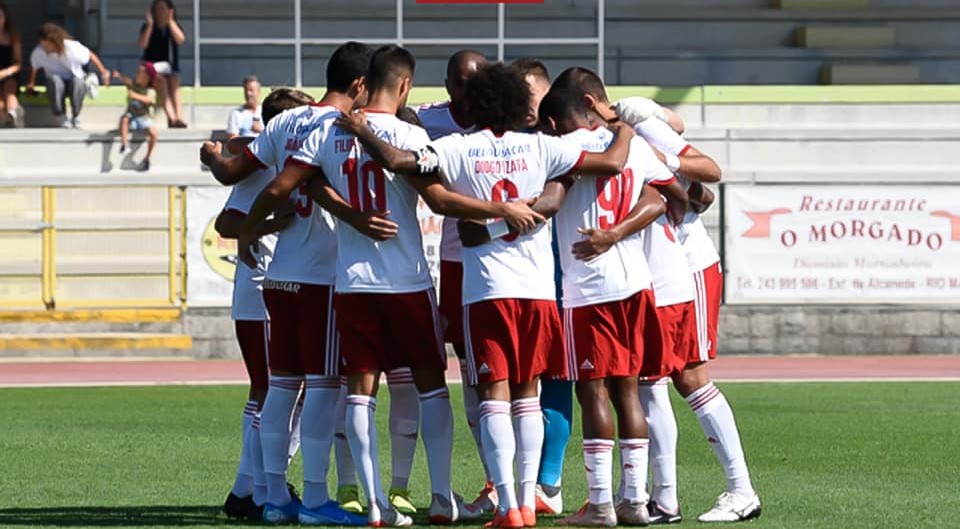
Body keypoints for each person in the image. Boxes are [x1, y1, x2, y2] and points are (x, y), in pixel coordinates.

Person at [334, 62, 634, 529]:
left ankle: (507, 504)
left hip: (487, 290)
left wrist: (362, 131)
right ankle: (529, 504)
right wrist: (625, 128)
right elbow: (611, 163)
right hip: (537, 290)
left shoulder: (457, 147)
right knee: (528, 395)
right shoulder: (543, 147)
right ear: (519, 103)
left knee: (493, 395)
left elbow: (402, 165)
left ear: (473, 104)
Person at [291, 45, 546, 527]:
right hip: (406, 281)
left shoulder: (330, 130)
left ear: (367, 82)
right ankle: (440, 497)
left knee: (360, 393)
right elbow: (441, 201)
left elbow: (305, 181)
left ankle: (374, 505)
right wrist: (501, 209)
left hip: (352, 282)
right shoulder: (411, 135)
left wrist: (351, 216)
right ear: (405, 84)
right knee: (431, 388)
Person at [200, 42, 374, 527]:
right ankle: (315, 499)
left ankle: (273, 495)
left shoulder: (282, 124)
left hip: (279, 276)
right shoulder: (343, 126)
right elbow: (295, 186)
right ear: (361, 85)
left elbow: (235, 169)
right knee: (322, 388)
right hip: (322, 275)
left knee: (279, 387)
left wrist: (215, 155)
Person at [614, 97, 762, 524]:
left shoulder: (637, 128)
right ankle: (656, 496)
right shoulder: (604, 137)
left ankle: (740, 489)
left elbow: (709, 172)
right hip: (656, 272)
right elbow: (700, 195)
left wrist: (666, 159)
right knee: (651, 380)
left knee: (689, 377)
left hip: (687, 266)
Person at [415, 48, 496, 513]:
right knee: (471, 371)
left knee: (514, 378)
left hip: (509, 260)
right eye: (458, 81)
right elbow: (399, 119)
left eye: (474, 82)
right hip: (457, 260)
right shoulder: (430, 120)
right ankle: (498, 482)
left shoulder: (507, 119)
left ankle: (530, 484)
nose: (465, 91)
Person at [26, 22, 110, 128]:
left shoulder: (72, 48)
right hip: (56, 82)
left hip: (73, 80)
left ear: (56, 42)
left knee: (78, 82)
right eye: (43, 45)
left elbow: (90, 56)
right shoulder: (39, 52)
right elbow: (34, 67)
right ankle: (61, 116)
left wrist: (103, 72)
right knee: (55, 81)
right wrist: (31, 83)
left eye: (47, 46)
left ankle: (75, 116)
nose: (45, 49)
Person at [139, 0, 187, 128]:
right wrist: (150, 24)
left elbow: (181, 39)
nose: (160, 12)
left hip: (168, 70)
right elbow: (143, 44)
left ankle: (179, 117)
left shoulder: (173, 27)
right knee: (161, 82)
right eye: (158, 9)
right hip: (151, 70)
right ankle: (172, 118)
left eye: (163, 9)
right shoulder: (147, 27)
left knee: (175, 79)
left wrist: (170, 21)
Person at [113, 62, 159, 171]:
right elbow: (127, 81)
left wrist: (134, 95)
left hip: (144, 118)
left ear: (147, 77)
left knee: (153, 133)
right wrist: (119, 76)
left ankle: (147, 158)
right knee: (124, 119)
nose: (136, 74)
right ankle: (125, 144)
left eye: (139, 73)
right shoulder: (134, 85)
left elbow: (149, 100)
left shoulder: (150, 91)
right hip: (133, 117)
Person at [0, 2, 23, 127]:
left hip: (9, 73)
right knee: (1, 105)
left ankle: (13, 113)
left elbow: (18, 63)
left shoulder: (13, 37)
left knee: (9, 91)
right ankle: (14, 113)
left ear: (5, 17)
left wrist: (5, 72)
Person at [226, 75, 263, 139]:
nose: (248, 93)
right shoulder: (236, 113)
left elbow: (275, 137)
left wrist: (261, 131)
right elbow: (232, 140)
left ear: (258, 92)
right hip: (244, 145)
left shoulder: (266, 111)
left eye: (251, 90)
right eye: (246, 90)